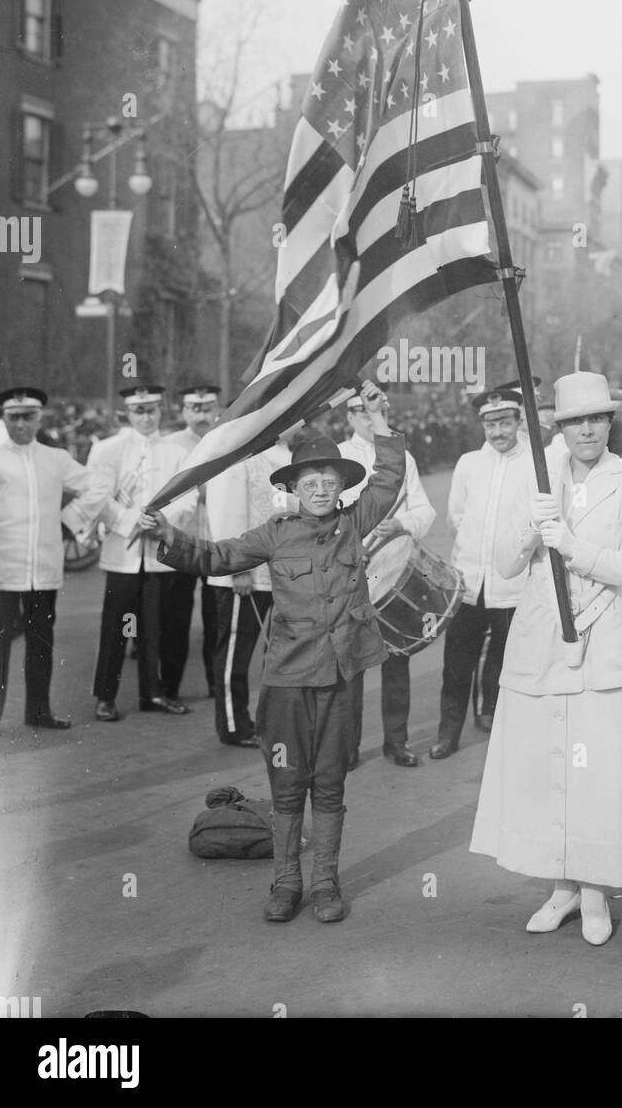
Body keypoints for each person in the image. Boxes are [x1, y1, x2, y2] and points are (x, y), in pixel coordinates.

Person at [139, 381, 404, 926]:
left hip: (341, 677)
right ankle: (286, 882)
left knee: (330, 782)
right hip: (286, 682)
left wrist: (378, 419)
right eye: (311, 481)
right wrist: (167, 533)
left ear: (340, 487)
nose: (322, 490)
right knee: (287, 784)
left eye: (330, 481)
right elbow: (215, 556)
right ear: (294, 487)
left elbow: (388, 477)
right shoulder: (275, 534)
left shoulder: (355, 523)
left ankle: (326, 883)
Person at [470, 371, 622, 944]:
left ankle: (597, 893)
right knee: (548, 766)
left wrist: (571, 546)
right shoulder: (538, 479)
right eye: (576, 420)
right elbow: (503, 564)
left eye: (597, 418)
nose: (587, 430)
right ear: (560, 425)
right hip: (540, 643)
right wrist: (533, 524)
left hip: (605, 645)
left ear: (610, 424)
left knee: (599, 772)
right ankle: (562, 890)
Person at [74, 384, 195, 721]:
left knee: (155, 628)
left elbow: (189, 497)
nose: (146, 416)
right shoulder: (108, 449)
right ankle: (106, 696)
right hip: (123, 556)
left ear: (161, 411)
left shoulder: (176, 451)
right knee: (119, 626)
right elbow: (98, 496)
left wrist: (162, 521)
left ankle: (153, 693)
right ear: (126, 413)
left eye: (152, 409)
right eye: (138, 411)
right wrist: (130, 520)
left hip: (159, 553)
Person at [429, 388, 532, 758]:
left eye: (505, 422)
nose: (498, 431)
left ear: (519, 421)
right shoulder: (469, 463)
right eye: (491, 424)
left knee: (505, 658)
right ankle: (448, 733)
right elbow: (456, 516)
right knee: (457, 665)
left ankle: (496, 721)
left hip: (513, 583)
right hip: (469, 582)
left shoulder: (535, 464)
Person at [338, 391, 435, 769]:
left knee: (397, 658)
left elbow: (424, 509)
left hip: (393, 573)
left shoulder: (403, 455)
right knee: (352, 665)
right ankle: (347, 747)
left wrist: (403, 522)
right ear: (348, 417)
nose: (365, 417)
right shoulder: (339, 457)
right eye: (358, 411)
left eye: (372, 410)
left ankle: (397, 742)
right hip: (352, 574)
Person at [0, 387, 90, 738]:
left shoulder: (56, 458)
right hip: (1, 570)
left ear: (39, 417)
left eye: (27, 416)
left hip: (44, 570)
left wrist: (70, 518)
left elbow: (95, 487)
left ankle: (39, 711)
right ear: (4, 417)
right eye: (13, 416)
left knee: (41, 643)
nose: (20, 424)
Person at [203, 435, 292, 746]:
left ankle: (261, 720)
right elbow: (226, 514)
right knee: (234, 654)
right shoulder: (237, 458)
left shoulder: (279, 455)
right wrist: (238, 569)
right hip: (244, 576)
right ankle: (232, 725)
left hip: (272, 572)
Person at [164, 384, 222, 697]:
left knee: (216, 617)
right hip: (182, 539)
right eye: (194, 408)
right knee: (176, 616)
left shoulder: (229, 441)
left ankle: (216, 682)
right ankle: (170, 685)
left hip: (215, 539)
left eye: (207, 407)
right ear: (183, 411)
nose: (201, 415)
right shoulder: (171, 444)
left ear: (218, 408)